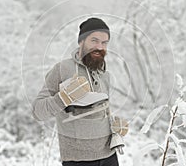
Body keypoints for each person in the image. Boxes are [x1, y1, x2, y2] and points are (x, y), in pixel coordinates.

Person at [32, 17, 128, 166]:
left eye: (104, 43)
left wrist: (114, 127)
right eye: (94, 41)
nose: (99, 47)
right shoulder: (62, 69)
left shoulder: (104, 74)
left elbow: (101, 111)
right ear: (81, 41)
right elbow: (38, 111)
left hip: (109, 156)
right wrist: (64, 98)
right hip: (78, 161)